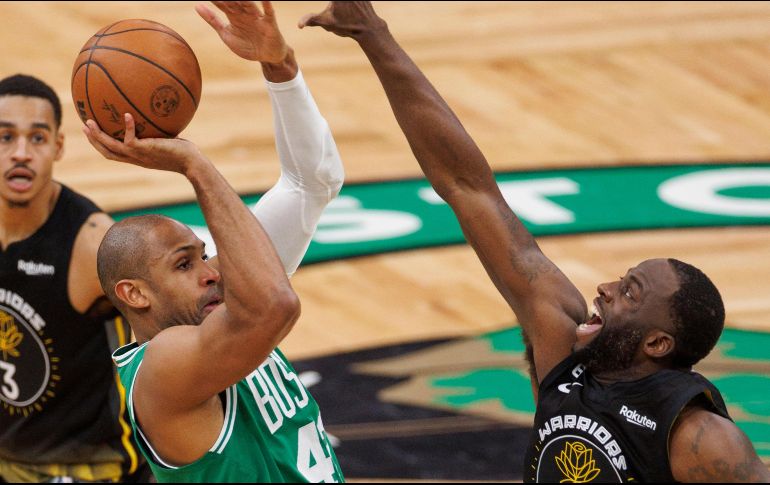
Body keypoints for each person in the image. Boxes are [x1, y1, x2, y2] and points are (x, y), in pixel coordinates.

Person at [300, 2, 770, 482]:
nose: (605, 289)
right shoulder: (561, 349)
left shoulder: (697, 438)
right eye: (622, 279)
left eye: (631, 293)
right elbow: (467, 188)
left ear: (657, 342)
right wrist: (374, 36)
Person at [84, 1, 345, 482]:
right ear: (134, 293)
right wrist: (193, 164)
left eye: (204, 255)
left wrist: (279, 65)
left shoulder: (222, 300)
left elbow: (314, 183)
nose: (211, 270)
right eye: (184, 265)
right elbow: (275, 304)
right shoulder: (161, 369)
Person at [0, 74, 149, 481]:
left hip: (92, 469)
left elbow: (180, 334)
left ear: (58, 146)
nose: (20, 154)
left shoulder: (93, 242)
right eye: (5, 137)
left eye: (37, 138)